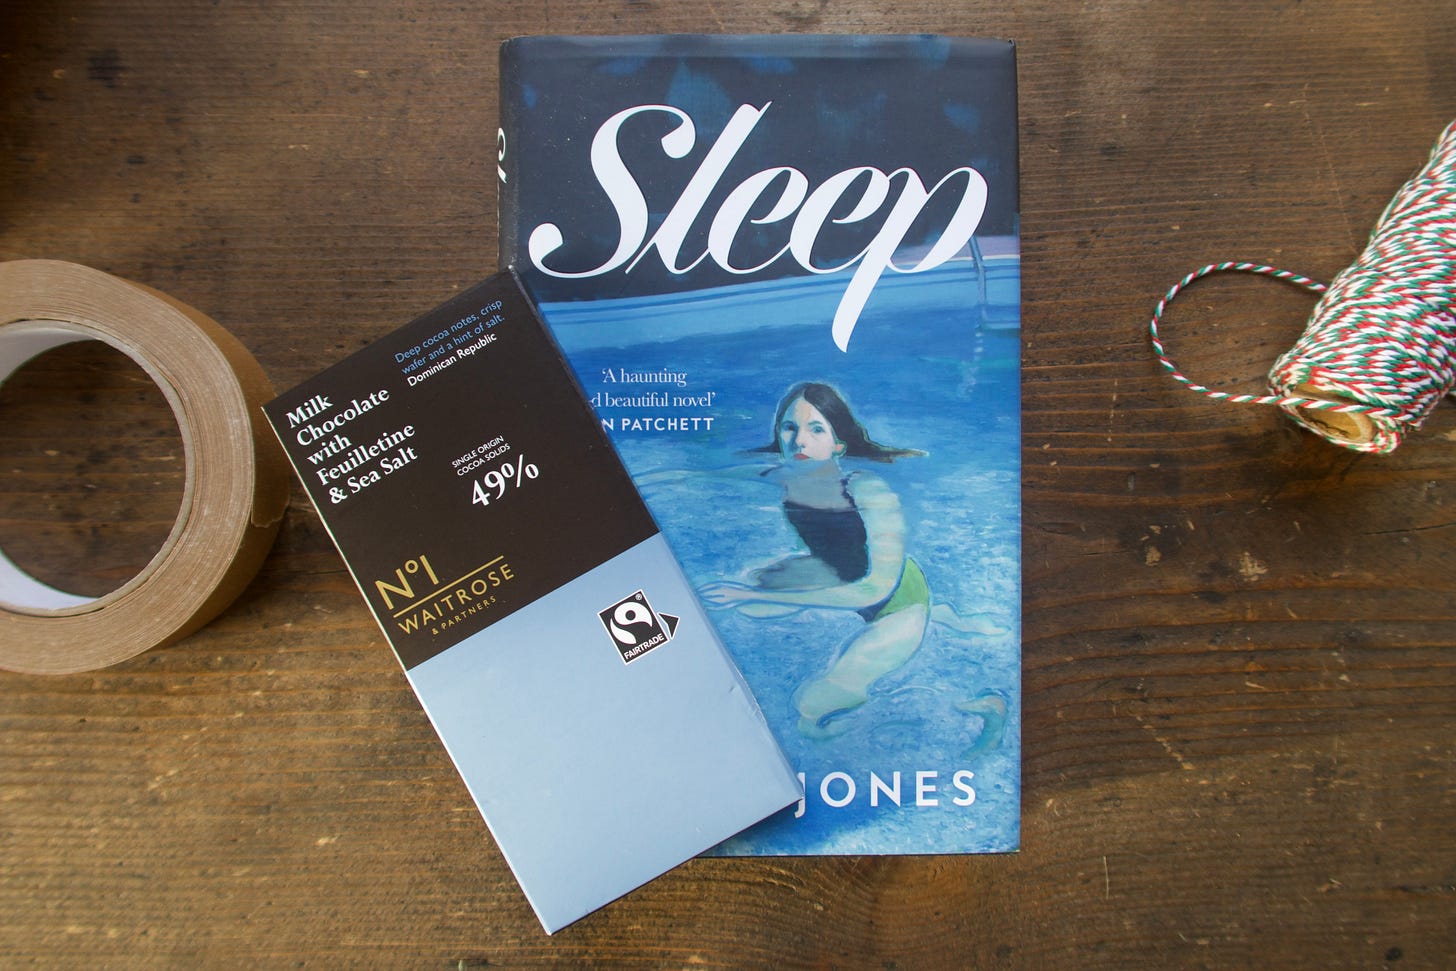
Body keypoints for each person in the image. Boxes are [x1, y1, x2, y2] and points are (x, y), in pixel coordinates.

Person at [698, 381, 997, 737]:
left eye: (816, 429)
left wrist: (752, 595)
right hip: (839, 573)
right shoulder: (783, 477)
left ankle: (976, 707)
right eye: (790, 427)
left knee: (809, 710)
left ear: (838, 444)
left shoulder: (867, 490)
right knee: (750, 596)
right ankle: (948, 616)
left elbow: (873, 590)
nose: (800, 441)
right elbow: (697, 477)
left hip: (894, 601)